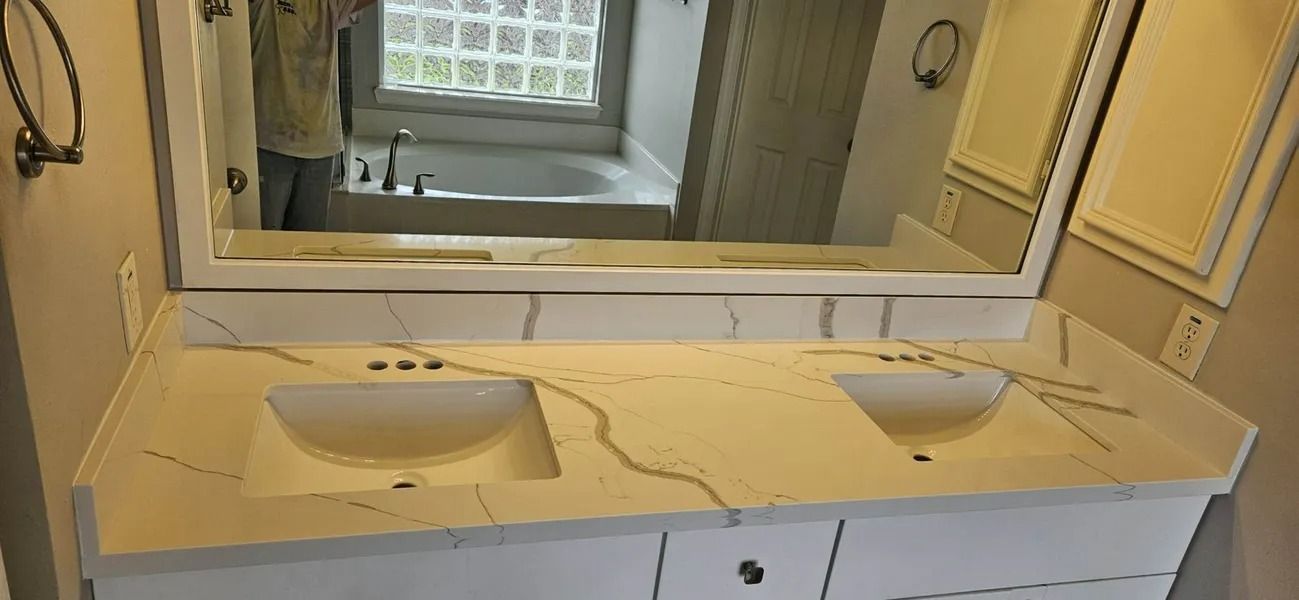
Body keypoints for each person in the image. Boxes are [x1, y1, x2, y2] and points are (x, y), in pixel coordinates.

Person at [249, 0, 377, 231]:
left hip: (320, 145)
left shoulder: (328, 4)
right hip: (267, 144)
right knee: (263, 248)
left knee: (306, 248)